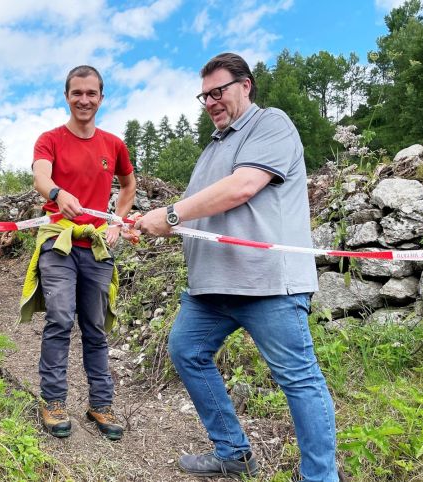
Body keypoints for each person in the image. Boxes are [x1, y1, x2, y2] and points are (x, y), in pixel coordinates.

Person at [134, 53, 338, 481]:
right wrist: (149, 224)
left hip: (266, 284)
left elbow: (243, 187)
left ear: (246, 85)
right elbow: (196, 215)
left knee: (298, 380)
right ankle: (233, 453)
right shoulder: (213, 148)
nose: (210, 101)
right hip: (211, 289)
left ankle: (320, 477)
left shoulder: (271, 124)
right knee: (187, 350)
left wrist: (169, 214)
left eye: (218, 91)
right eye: (204, 95)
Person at [19, 65, 136, 441]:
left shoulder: (114, 145)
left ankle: (100, 405)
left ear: (101, 98)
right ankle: (52, 401)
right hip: (59, 242)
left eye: (91, 93)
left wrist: (118, 221)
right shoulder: (49, 139)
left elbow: (129, 184)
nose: (84, 100)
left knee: (96, 327)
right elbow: (41, 176)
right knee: (59, 316)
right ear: (66, 96)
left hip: (97, 245)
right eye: (77, 93)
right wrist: (56, 193)